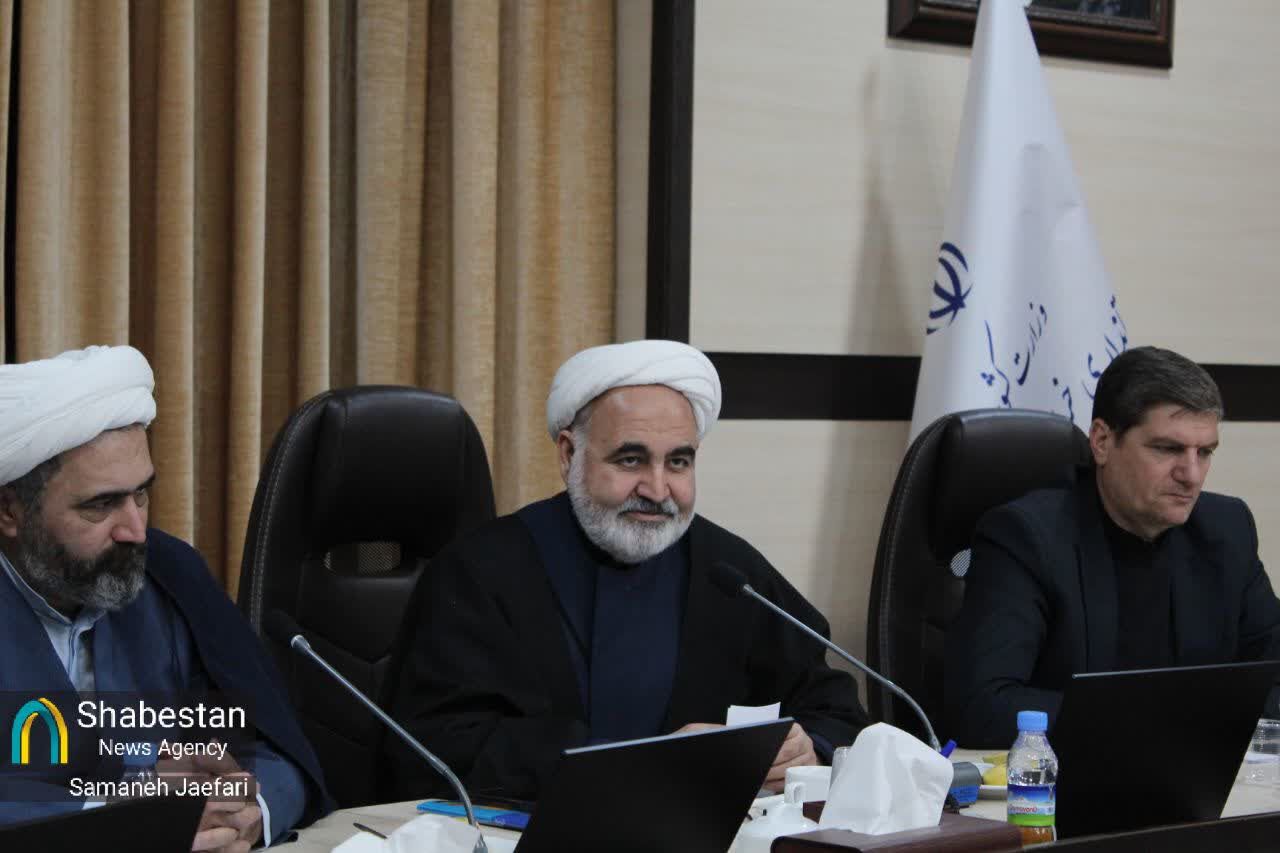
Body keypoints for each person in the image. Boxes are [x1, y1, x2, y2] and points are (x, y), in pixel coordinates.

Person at [390, 340, 869, 801]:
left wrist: (810, 749)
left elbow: (834, 710)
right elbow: (434, 749)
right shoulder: (481, 570)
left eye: (678, 462)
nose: (657, 489)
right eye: (631, 459)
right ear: (568, 455)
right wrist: (639, 763)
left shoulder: (729, 573)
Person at [0, 346, 331, 850]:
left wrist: (247, 810)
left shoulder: (169, 576)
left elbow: (275, 749)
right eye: (102, 504)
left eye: (141, 494)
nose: (135, 530)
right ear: (10, 511)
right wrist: (130, 817)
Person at [945, 345, 1280, 747]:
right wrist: (1163, 720)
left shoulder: (1227, 530)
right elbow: (982, 707)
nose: (1191, 475)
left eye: (1204, 452)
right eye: (1168, 449)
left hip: (1201, 776)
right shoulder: (1027, 538)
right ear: (1102, 441)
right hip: (1064, 780)